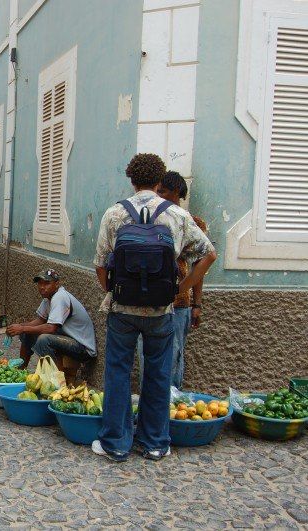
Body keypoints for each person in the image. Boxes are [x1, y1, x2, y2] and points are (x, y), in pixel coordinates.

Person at [93, 153, 216, 462]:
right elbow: (208, 254)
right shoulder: (176, 215)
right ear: (160, 181)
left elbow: (99, 266)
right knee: (159, 374)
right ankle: (155, 443)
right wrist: (180, 290)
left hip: (122, 310)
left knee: (118, 373)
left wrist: (115, 290)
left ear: (131, 179)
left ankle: (116, 443)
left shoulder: (114, 214)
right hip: (161, 311)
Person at [135, 171, 208, 388]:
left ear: (176, 192)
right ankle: (148, 406)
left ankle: (171, 406)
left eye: (162, 192)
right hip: (151, 301)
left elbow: (201, 264)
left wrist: (196, 302)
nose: (158, 196)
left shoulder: (192, 223)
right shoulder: (150, 219)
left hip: (178, 304)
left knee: (174, 356)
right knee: (147, 356)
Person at [6, 269, 96, 385]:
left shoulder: (60, 297)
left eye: (47, 283)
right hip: (66, 339)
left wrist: (22, 328)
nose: (42, 287)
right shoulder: (48, 298)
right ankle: (20, 371)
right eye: (40, 283)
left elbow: (51, 328)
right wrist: (18, 327)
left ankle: (57, 384)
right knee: (27, 332)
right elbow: (40, 320)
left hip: (82, 348)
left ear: (57, 284)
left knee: (44, 339)